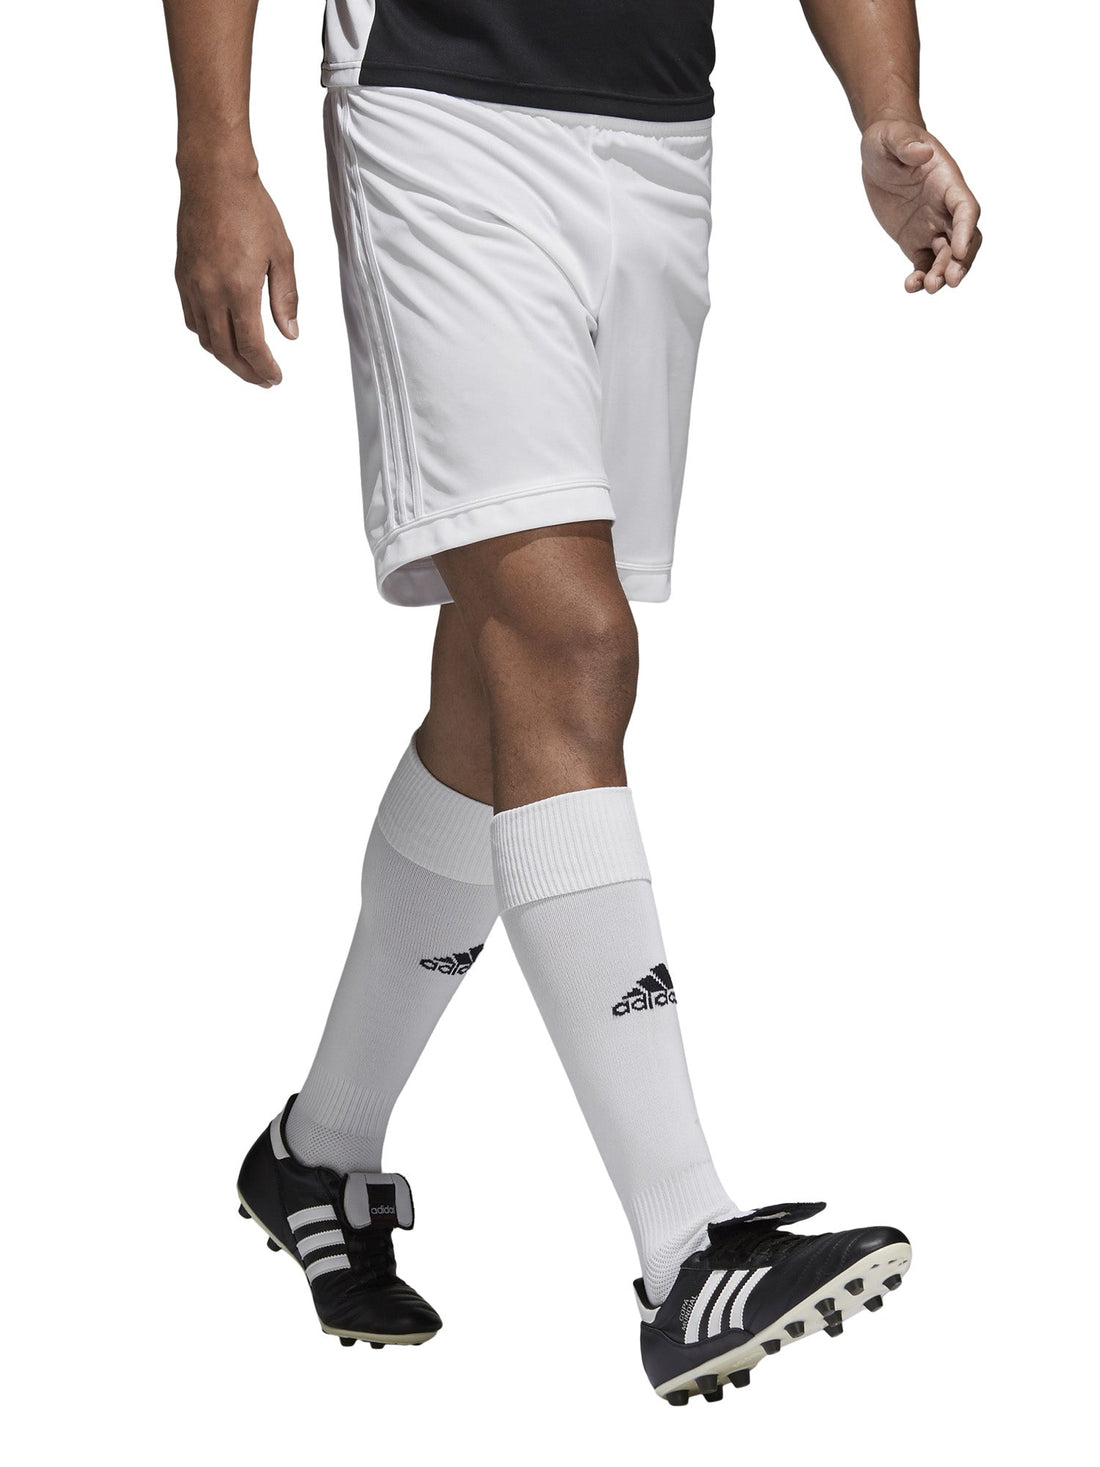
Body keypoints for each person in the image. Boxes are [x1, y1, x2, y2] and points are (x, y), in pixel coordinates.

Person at [163, 0, 980, 1404]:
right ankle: (687, 1247)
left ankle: (318, 1150)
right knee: (571, 642)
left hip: (658, 131)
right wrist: (216, 157)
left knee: (498, 700)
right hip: (438, 105)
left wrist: (886, 113)